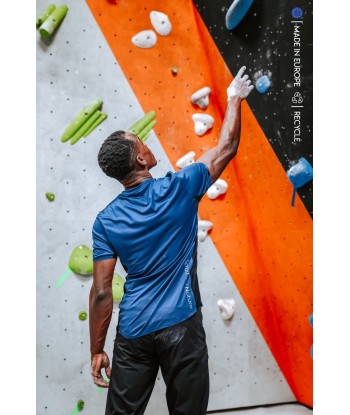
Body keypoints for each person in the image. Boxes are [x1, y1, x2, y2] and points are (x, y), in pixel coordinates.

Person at [89, 66, 254, 415]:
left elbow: (102, 291)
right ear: (139, 158)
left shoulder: (105, 221)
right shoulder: (180, 188)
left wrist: (97, 350)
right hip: (181, 326)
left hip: (133, 333)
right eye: (142, 142)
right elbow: (227, 145)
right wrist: (234, 98)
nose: (147, 145)